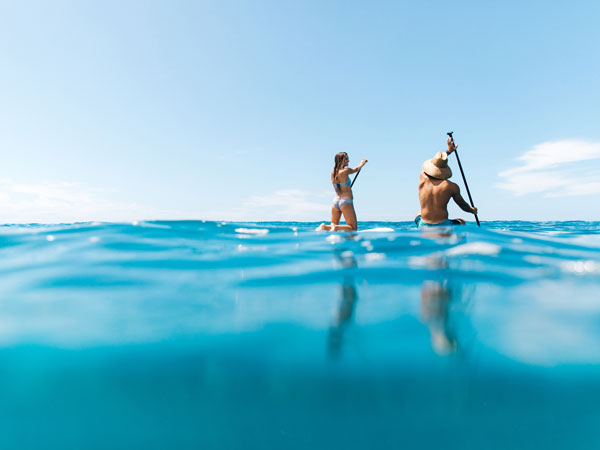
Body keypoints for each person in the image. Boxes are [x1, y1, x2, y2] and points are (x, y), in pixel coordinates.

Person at [415, 138, 478, 228]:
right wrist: (472, 211)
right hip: (442, 225)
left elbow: (437, 161)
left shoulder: (422, 177)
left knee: (418, 213)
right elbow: (462, 205)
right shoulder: (451, 186)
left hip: (423, 225)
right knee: (462, 221)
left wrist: (448, 152)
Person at [316, 152, 368, 231]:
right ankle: (336, 227)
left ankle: (325, 227)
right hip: (346, 202)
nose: (348, 160)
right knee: (353, 228)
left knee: (332, 226)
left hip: (335, 201)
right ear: (340, 160)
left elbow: (339, 188)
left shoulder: (332, 173)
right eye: (346, 159)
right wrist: (362, 163)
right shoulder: (345, 171)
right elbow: (356, 169)